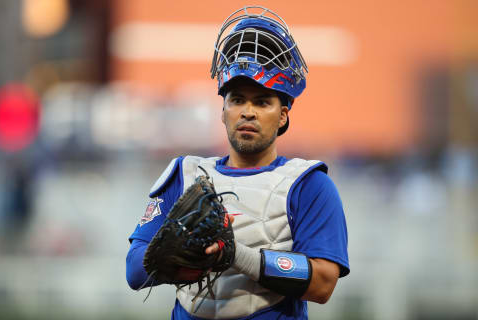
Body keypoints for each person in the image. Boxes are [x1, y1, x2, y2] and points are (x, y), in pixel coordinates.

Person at [126, 6, 349, 319]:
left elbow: (324, 283)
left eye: (262, 101)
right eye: (237, 99)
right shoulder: (185, 173)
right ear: (223, 110)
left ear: (283, 114)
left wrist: (235, 255)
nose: (248, 111)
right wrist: (184, 259)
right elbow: (134, 271)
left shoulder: (309, 184)